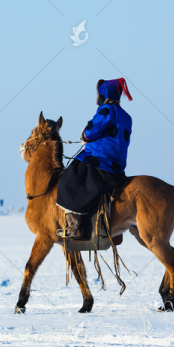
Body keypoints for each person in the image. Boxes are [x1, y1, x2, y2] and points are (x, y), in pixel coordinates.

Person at [56, 77, 133, 240]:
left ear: (103, 94)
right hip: (117, 167)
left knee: (67, 181)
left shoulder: (106, 109)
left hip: (100, 161)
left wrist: (84, 136)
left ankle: (74, 227)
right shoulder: (127, 116)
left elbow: (91, 130)